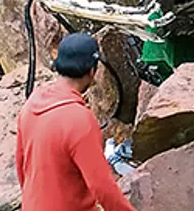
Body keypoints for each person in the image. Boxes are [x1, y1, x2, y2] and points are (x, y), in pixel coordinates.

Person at [16, 33, 137, 211]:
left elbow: (21, 166)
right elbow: (102, 188)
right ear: (92, 71)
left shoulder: (31, 104)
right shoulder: (80, 121)